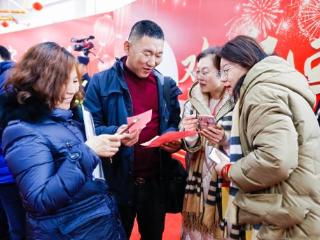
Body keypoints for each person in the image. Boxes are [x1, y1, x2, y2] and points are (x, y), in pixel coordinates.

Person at [0, 42, 126, 239]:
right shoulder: (21, 130)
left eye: (75, 81)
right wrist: (88, 152)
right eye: (62, 82)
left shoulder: (66, 118)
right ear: (38, 81)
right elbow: (40, 199)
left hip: (93, 225)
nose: (71, 90)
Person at [214, 35, 320, 239]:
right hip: (299, 203)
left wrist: (230, 170)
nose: (224, 80)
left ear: (245, 62)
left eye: (226, 71)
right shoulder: (276, 85)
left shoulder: (261, 92)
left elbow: (276, 159)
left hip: (289, 217)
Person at [84, 19, 182, 240]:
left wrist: (171, 136)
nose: (152, 62)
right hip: (116, 183)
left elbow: (173, 122)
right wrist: (117, 134)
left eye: (158, 55)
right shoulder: (100, 83)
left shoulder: (164, 85)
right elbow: (88, 131)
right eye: (147, 53)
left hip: (154, 185)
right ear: (127, 47)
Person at [179, 48, 234, 240]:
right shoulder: (192, 102)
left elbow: (245, 142)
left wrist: (224, 140)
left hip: (225, 179)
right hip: (196, 177)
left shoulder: (237, 101)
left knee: (222, 231)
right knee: (195, 231)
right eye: (197, 72)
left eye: (205, 72)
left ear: (221, 73)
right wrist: (188, 133)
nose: (199, 77)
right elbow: (187, 145)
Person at [0, 45, 26, 240]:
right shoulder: (16, 76)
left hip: (9, 170)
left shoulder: (7, 80)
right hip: (16, 166)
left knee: (18, 227)